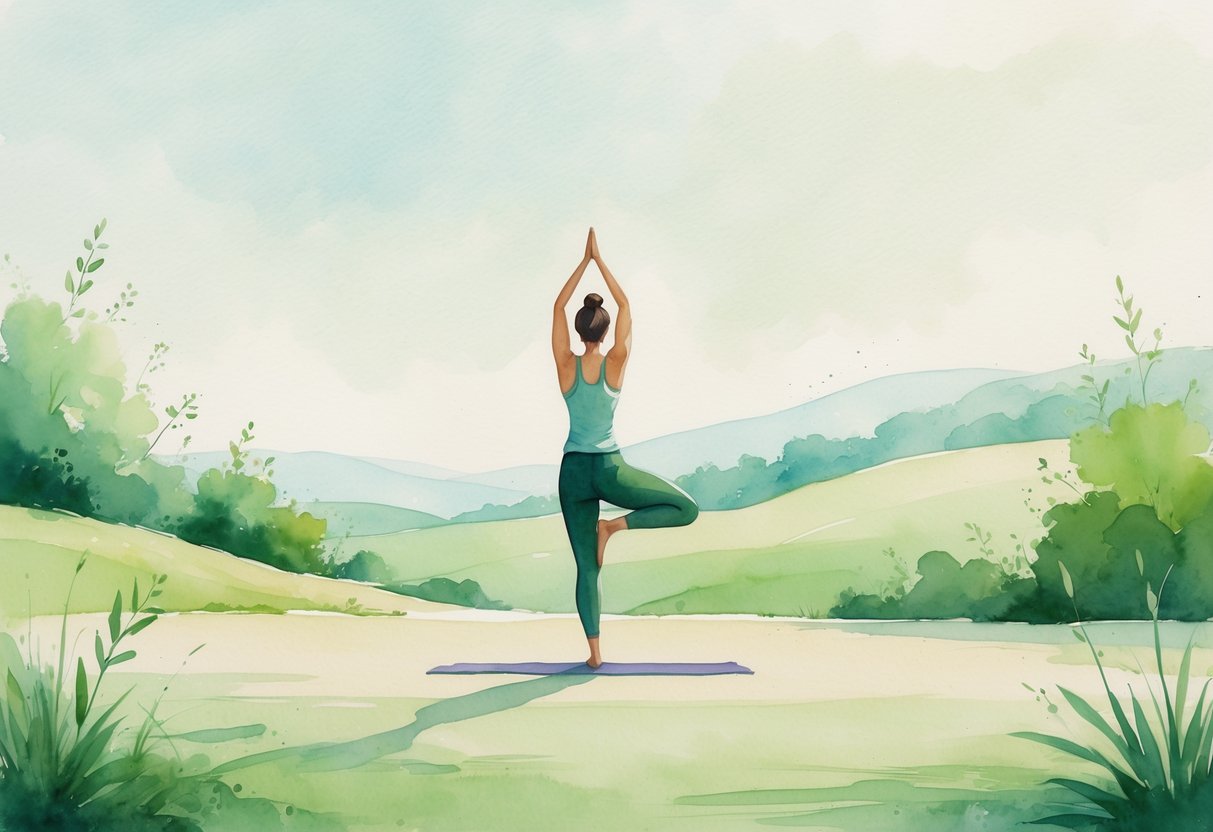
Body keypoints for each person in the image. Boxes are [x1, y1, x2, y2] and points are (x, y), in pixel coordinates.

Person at [551, 227, 699, 669]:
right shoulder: (615, 363)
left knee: (586, 569)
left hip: (573, 473)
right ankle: (614, 527)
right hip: (610, 469)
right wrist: (600, 261)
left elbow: (558, 307)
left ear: (579, 330)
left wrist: (583, 263)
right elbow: (627, 306)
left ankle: (595, 655)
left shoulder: (565, 365)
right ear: (604, 329)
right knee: (686, 509)